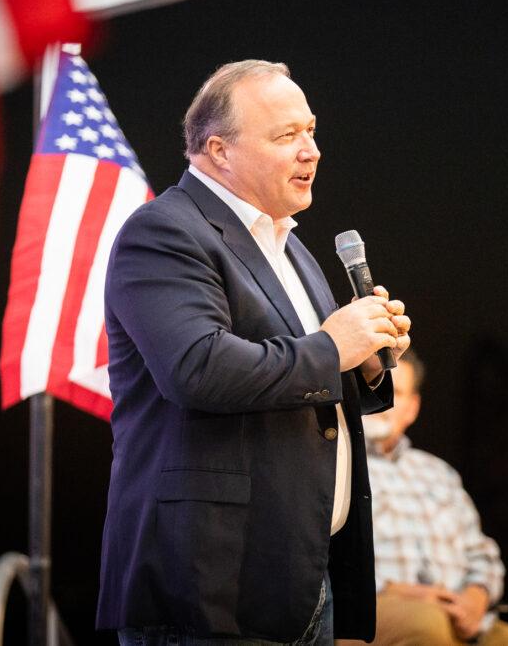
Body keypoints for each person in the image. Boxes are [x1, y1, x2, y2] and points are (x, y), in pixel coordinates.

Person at [96, 60, 412, 645]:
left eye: (311, 131)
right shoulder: (164, 232)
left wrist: (363, 362)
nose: (311, 151)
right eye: (286, 135)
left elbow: (305, 376)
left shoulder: (293, 249)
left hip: (298, 579)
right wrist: (333, 345)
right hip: (209, 587)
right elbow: (198, 369)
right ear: (219, 150)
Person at [343, 354, 508, 646]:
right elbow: (324, 557)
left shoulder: (439, 473)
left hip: (460, 616)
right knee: (428, 628)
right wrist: (401, 592)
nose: (381, 404)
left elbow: (482, 553)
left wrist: (476, 597)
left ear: (412, 408)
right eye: (373, 388)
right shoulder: (338, 466)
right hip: (377, 608)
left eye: (394, 393)